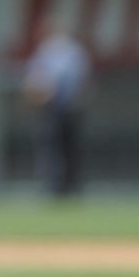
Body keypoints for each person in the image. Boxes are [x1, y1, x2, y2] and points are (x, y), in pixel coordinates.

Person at [22, 21, 90, 197]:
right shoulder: (46, 51)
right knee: (54, 147)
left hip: (67, 106)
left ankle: (68, 185)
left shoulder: (70, 51)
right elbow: (34, 78)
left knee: (67, 148)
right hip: (53, 107)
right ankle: (56, 185)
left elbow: (73, 79)